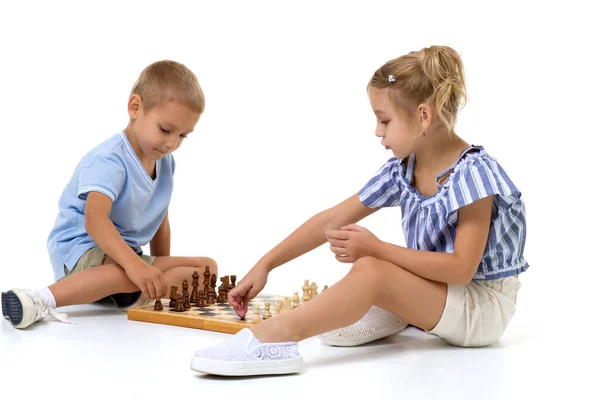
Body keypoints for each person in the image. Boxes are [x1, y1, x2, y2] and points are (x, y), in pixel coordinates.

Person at [190, 45, 527, 376]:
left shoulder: (474, 173)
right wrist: (265, 265)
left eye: (384, 120)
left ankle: (273, 339)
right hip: (438, 286)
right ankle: (400, 309)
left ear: (423, 116)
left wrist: (376, 248)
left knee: (372, 269)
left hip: (481, 306)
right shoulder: (403, 169)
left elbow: (460, 270)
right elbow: (331, 219)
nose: (378, 132)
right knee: (336, 332)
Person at [2, 60, 217, 329]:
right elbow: (95, 221)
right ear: (135, 108)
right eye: (165, 130)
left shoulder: (165, 162)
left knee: (208, 269)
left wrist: (155, 270)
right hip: (82, 249)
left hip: (125, 257)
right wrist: (138, 268)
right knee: (124, 271)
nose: (172, 143)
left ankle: (136, 291)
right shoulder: (109, 160)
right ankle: (41, 299)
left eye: (183, 135)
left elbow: (161, 217)